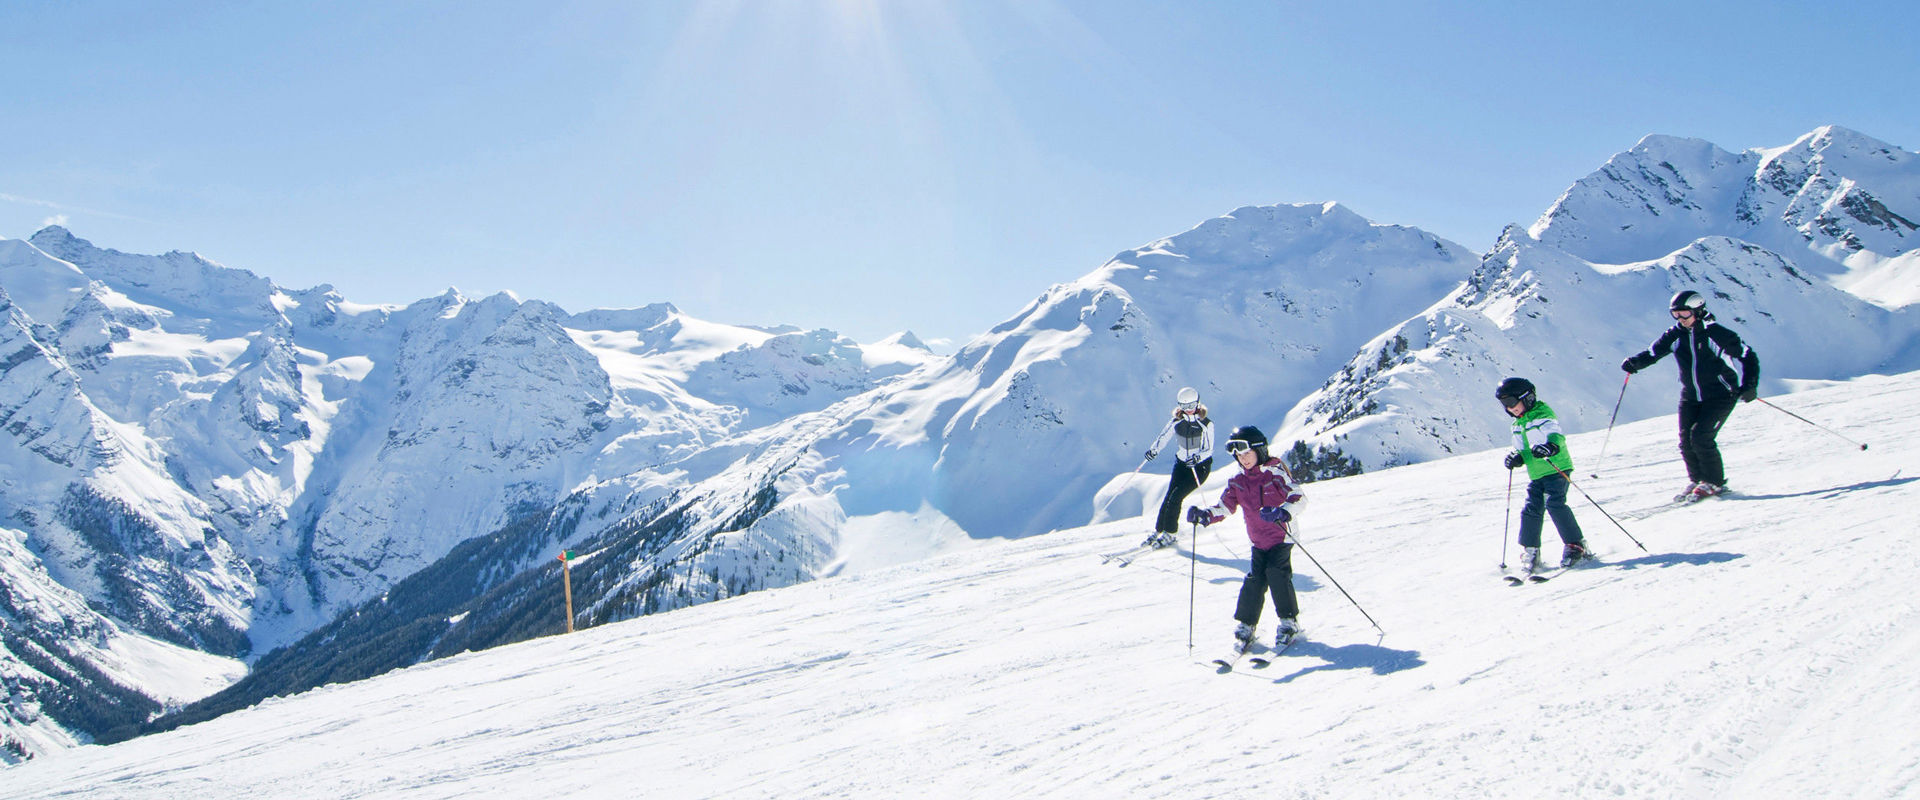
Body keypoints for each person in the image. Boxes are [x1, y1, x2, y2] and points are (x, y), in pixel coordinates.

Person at [1620, 290, 1761, 499]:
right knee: (1686, 441)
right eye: (1675, 314)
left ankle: (1714, 482)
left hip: (1721, 395)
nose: (1680, 319)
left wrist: (1749, 385)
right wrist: (1635, 363)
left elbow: (1748, 356)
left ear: (1698, 310)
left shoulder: (1716, 333)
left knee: (1701, 437)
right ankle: (1697, 480)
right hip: (1691, 396)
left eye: (1684, 314)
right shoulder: (1675, 334)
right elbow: (1653, 353)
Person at [1187, 425, 1305, 654]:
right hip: (1258, 540)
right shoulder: (1238, 481)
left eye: (1247, 453)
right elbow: (1224, 507)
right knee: (1254, 580)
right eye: (1239, 455)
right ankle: (1247, 625)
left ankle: (1289, 622)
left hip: (1282, 535)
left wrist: (1283, 511)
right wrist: (1205, 515)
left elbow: (1299, 497)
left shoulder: (1275, 472)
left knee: (1277, 573)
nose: (1244, 459)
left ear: (1259, 451)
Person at [1497, 377, 1590, 575]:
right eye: (1504, 405)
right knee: (1531, 508)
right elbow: (1522, 449)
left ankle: (1576, 545)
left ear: (1527, 398)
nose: (1509, 408)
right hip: (1537, 474)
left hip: (1557, 468)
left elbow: (1555, 434)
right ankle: (1531, 549)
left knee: (1554, 504)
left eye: (1511, 402)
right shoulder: (1516, 424)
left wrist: (1551, 446)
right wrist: (1517, 458)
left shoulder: (1542, 414)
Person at [1140, 387, 1214, 549]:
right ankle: (1160, 530)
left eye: (1192, 405)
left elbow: (1208, 450)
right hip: (1181, 465)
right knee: (1168, 497)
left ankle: (1171, 533)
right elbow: (1163, 437)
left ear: (1198, 403)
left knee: (1176, 497)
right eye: (1184, 406)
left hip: (1199, 468)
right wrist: (1154, 451)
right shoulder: (1176, 421)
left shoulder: (1205, 424)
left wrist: (1197, 458)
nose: (1188, 410)